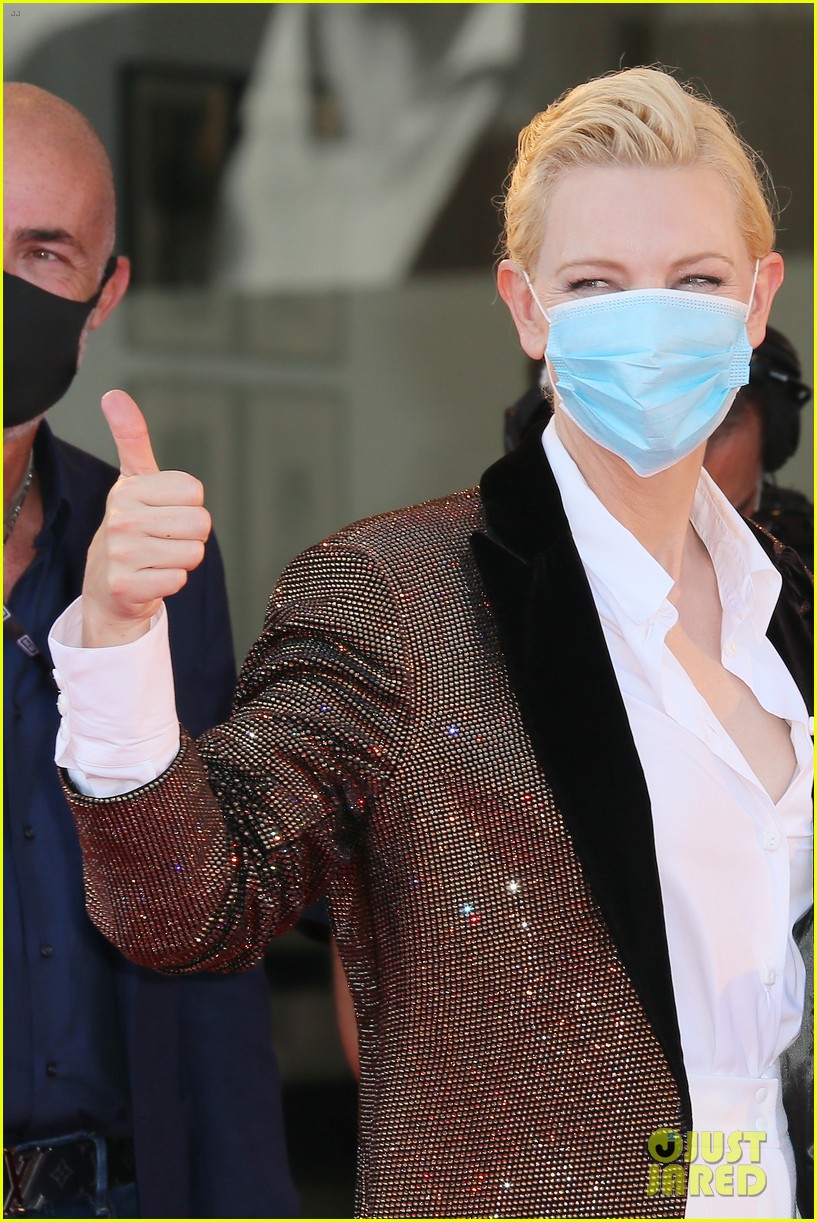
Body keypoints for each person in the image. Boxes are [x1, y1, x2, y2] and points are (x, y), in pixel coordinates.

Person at [49, 67, 812, 1218]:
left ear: (756, 303)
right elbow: (187, 907)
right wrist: (114, 635)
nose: (650, 320)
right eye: (596, 283)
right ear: (525, 306)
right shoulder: (396, 596)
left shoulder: (788, 594)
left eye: (693, 279)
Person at [3, 83, 297, 1218]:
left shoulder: (152, 542)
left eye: (43, 252)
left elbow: (201, 912)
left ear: (103, 291)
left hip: (118, 1182)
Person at [505, 326, 814, 569]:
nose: (671, 451)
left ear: (774, 432)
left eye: (718, 419)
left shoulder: (799, 572)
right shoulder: (504, 565)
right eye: (619, 417)